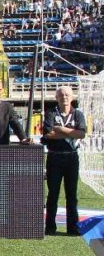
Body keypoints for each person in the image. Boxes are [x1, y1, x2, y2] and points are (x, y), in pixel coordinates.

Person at [43, 86, 86, 235]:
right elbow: (48, 134)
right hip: (54, 157)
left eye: (67, 95)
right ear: (56, 98)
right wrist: (72, 133)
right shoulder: (50, 113)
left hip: (72, 157)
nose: (64, 98)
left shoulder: (78, 114)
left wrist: (61, 130)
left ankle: (73, 228)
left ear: (72, 97)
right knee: (53, 194)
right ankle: (50, 227)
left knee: (71, 195)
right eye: (61, 95)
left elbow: (82, 134)